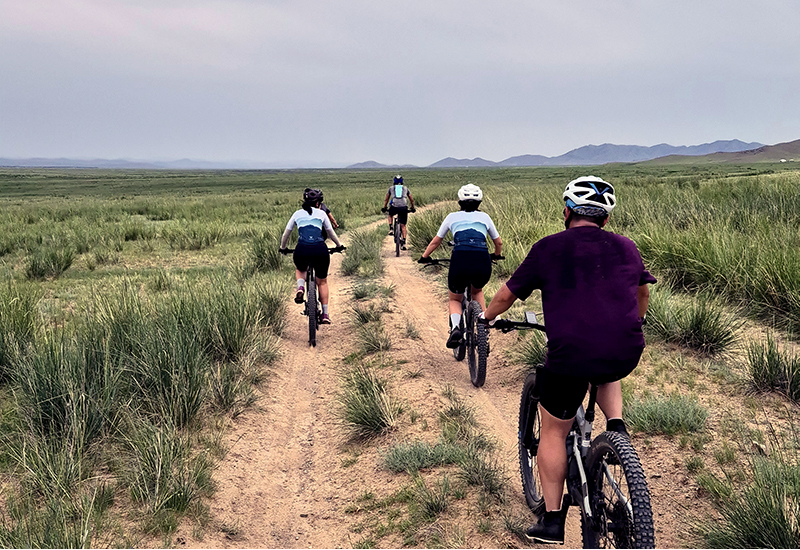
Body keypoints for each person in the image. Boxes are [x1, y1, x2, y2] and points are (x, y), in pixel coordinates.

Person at [480, 176, 656, 544]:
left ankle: (553, 521)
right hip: (625, 349)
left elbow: (506, 295)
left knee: (554, 431)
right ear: (605, 219)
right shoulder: (627, 247)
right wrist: (634, 323)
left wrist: (486, 319)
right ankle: (617, 428)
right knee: (608, 363)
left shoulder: (548, 248)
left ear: (566, 212)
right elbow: (642, 293)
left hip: (570, 356)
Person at [417, 184, 502, 349]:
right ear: (479, 203)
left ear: (460, 202)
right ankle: (484, 327)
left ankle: (456, 328)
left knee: (455, 298)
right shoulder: (485, 217)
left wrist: (424, 257)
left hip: (460, 259)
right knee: (477, 290)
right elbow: (498, 242)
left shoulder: (451, 217)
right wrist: (496, 255)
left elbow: (436, 241)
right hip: (482, 260)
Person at [279, 188, 345, 324]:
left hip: (302, 249)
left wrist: (283, 248)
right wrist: (339, 246)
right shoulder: (321, 214)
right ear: (318, 203)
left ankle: (301, 287)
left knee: (300, 268)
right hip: (320, 250)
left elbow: (286, 234)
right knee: (322, 282)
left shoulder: (297, 214)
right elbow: (331, 233)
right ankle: (325, 314)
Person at [382, 175, 416, 250]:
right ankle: (403, 242)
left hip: (394, 206)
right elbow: (411, 199)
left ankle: (391, 228)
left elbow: (386, 199)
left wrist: (384, 207)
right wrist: (412, 207)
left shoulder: (391, 188)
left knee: (390, 215)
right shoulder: (405, 188)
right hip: (403, 207)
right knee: (403, 225)